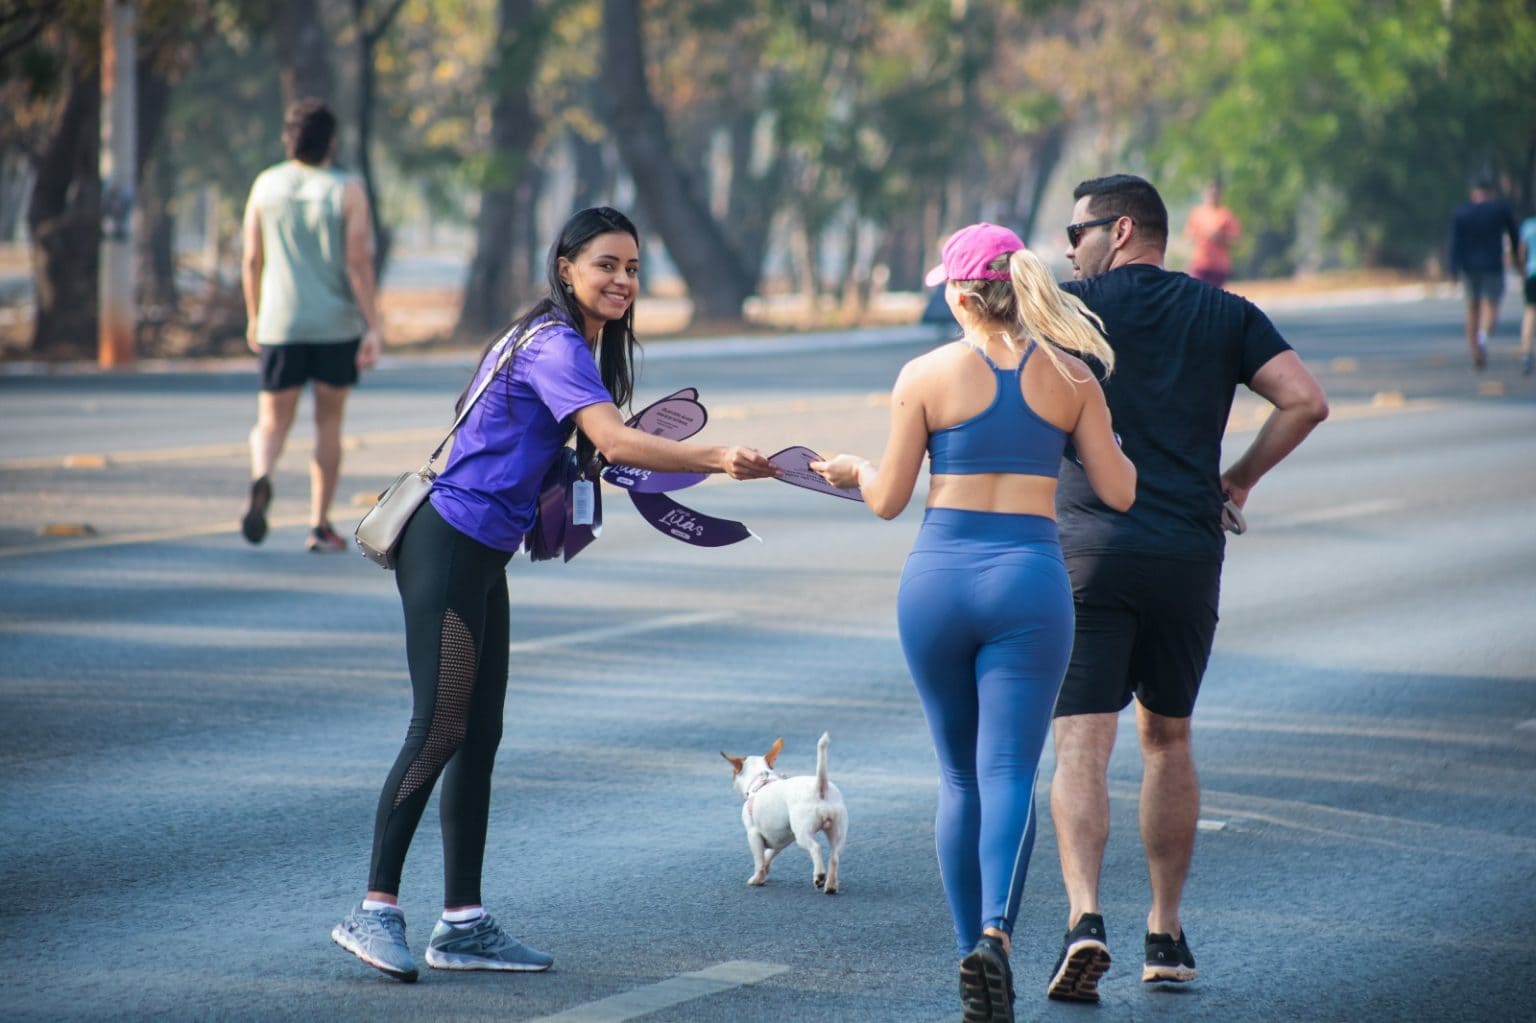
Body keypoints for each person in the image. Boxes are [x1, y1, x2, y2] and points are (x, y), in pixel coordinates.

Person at [330, 206, 775, 983]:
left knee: (480, 731)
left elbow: (574, 449)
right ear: (566, 266)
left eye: (634, 268)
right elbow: (615, 438)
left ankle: (461, 922)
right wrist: (714, 455)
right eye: (607, 264)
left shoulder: (560, 340)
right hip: (448, 543)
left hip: (478, 549)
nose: (623, 280)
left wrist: (590, 479)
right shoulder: (557, 342)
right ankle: (375, 907)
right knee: (439, 727)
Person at [812, 224, 1135, 1023]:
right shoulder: (1072, 377)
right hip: (1028, 579)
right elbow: (1121, 490)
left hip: (938, 580)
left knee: (957, 777)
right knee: (1008, 776)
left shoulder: (924, 375)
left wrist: (853, 469)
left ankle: (969, 949)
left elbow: (886, 498)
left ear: (958, 293)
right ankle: (997, 932)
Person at [1045, 174, 1328, 1003]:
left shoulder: (1068, 310)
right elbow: (1304, 401)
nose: (1069, 248)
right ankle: (1164, 932)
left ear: (1120, 229)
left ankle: (1084, 919)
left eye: (1077, 232)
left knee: (1081, 742)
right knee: (1167, 738)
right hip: (1185, 552)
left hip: (1090, 549)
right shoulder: (1226, 313)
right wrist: (1234, 480)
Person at [241, 98, 383, 551]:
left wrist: (254, 316)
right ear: (331, 142)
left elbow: (250, 259)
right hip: (334, 325)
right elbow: (358, 261)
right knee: (328, 423)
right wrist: (373, 324)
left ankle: (262, 475)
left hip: (279, 322)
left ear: (289, 138)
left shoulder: (265, 185)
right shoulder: (347, 188)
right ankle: (319, 525)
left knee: (271, 422)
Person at [1447, 177, 1519, 371]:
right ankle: (1483, 339)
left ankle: (1475, 350)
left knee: (1472, 308)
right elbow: (1514, 236)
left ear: (1473, 194)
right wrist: (1517, 261)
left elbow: (1455, 244)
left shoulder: (1462, 213)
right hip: (1493, 266)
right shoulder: (1500, 210)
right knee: (1491, 307)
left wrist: (1452, 271)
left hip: (1468, 268)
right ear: (1492, 193)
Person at [1182, 180, 1241, 290]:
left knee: (1214, 297)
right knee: (1196, 293)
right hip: (1200, 263)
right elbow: (1188, 236)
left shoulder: (1226, 215)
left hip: (1219, 266)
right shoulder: (1197, 213)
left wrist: (1220, 237)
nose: (1213, 195)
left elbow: (1236, 240)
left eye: (1216, 193)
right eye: (1211, 192)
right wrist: (1200, 235)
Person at [1518, 207, 1536, 376]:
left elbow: (1521, 254)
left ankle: (1526, 354)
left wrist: (1522, 272)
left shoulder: (1528, 226)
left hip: (1532, 274)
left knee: (1530, 313)